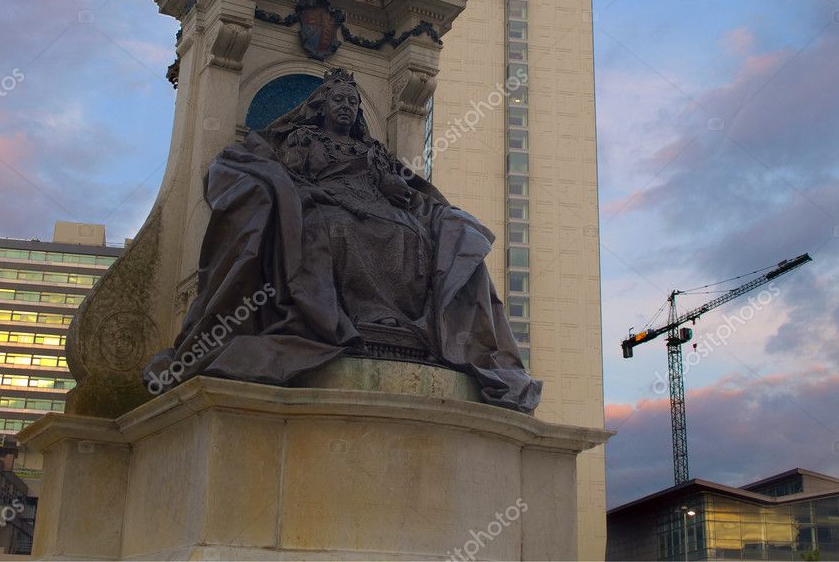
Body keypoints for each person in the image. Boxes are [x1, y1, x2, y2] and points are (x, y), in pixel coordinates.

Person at [144, 68, 541, 412]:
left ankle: (393, 323)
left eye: (353, 101)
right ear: (322, 105)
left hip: (378, 208)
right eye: (339, 100)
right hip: (326, 203)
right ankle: (337, 321)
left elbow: (404, 190)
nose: (347, 106)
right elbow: (289, 176)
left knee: (414, 233)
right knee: (330, 226)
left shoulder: (372, 150)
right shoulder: (304, 138)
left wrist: (394, 187)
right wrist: (312, 192)